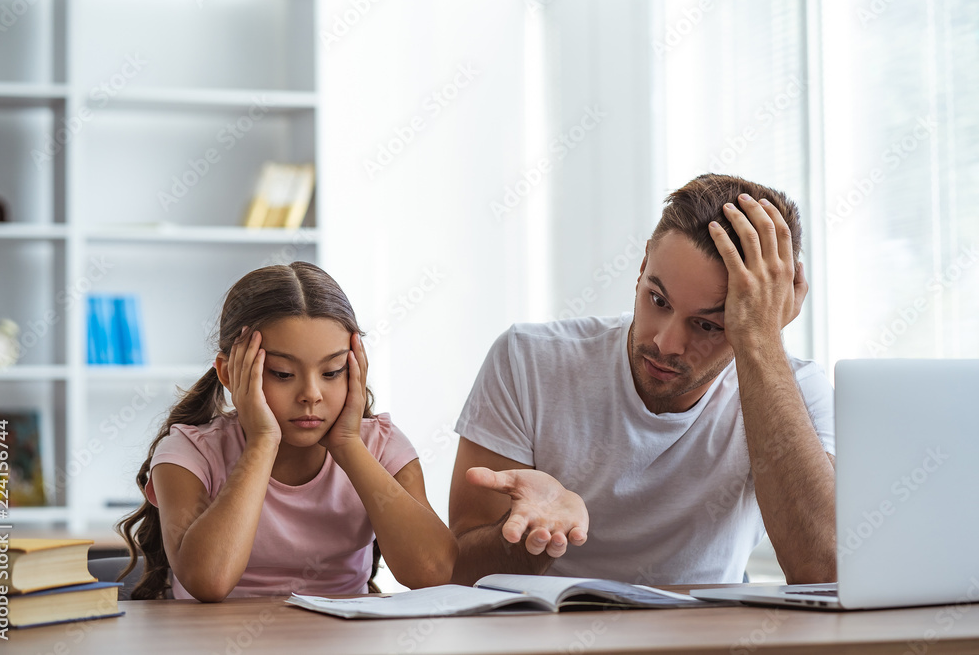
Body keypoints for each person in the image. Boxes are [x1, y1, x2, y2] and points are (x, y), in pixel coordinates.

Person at [449, 174, 836, 587]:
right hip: (549, 639)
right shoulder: (527, 359)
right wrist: (534, 539)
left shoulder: (796, 391)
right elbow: (456, 571)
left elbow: (823, 569)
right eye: (658, 300)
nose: (666, 343)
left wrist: (761, 342)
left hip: (708, 640)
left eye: (707, 325)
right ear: (642, 267)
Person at [118, 262, 457, 601]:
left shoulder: (381, 446)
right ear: (228, 372)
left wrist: (349, 445)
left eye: (332, 371)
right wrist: (262, 444)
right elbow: (209, 581)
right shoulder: (189, 453)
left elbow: (434, 573)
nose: (311, 394)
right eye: (282, 373)